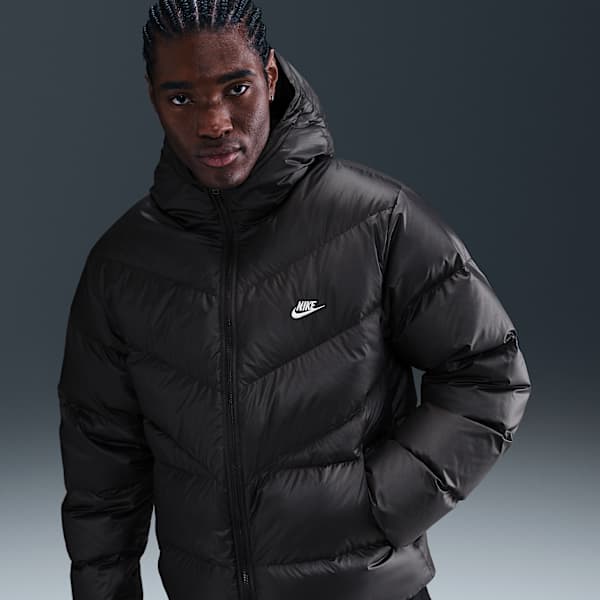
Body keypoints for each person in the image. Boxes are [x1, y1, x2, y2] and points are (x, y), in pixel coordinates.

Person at [56, 1, 532, 599]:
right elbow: (102, 470)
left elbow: (490, 371)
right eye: (182, 98)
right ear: (153, 98)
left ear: (271, 75)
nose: (214, 123)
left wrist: (377, 507)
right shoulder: (122, 267)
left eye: (236, 88)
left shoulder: (376, 222)